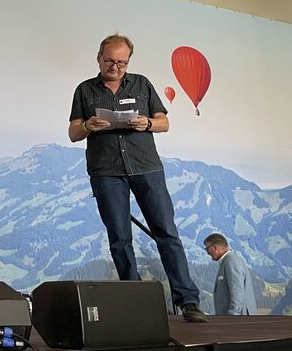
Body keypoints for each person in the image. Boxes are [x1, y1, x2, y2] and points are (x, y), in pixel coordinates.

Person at [68, 34, 207, 322]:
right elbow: (73, 133)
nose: (115, 66)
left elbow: (164, 123)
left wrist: (147, 123)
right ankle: (135, 300)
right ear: (98, 57)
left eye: (121, 62)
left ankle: (188, 302)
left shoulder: (142, 84)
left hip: (147, 167)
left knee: (167, 233)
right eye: (110, 61)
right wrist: (89, 125)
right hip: (106, 171)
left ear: (128, 61)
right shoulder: (84, 90)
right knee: (119, 238)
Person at [203, 233, 257, 315]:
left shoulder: (231, 262)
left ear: (215, 247)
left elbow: (237, 292)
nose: (207, 253)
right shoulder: (228, 262)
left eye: (207, 249)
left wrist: (232, 316)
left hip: (239, 321)